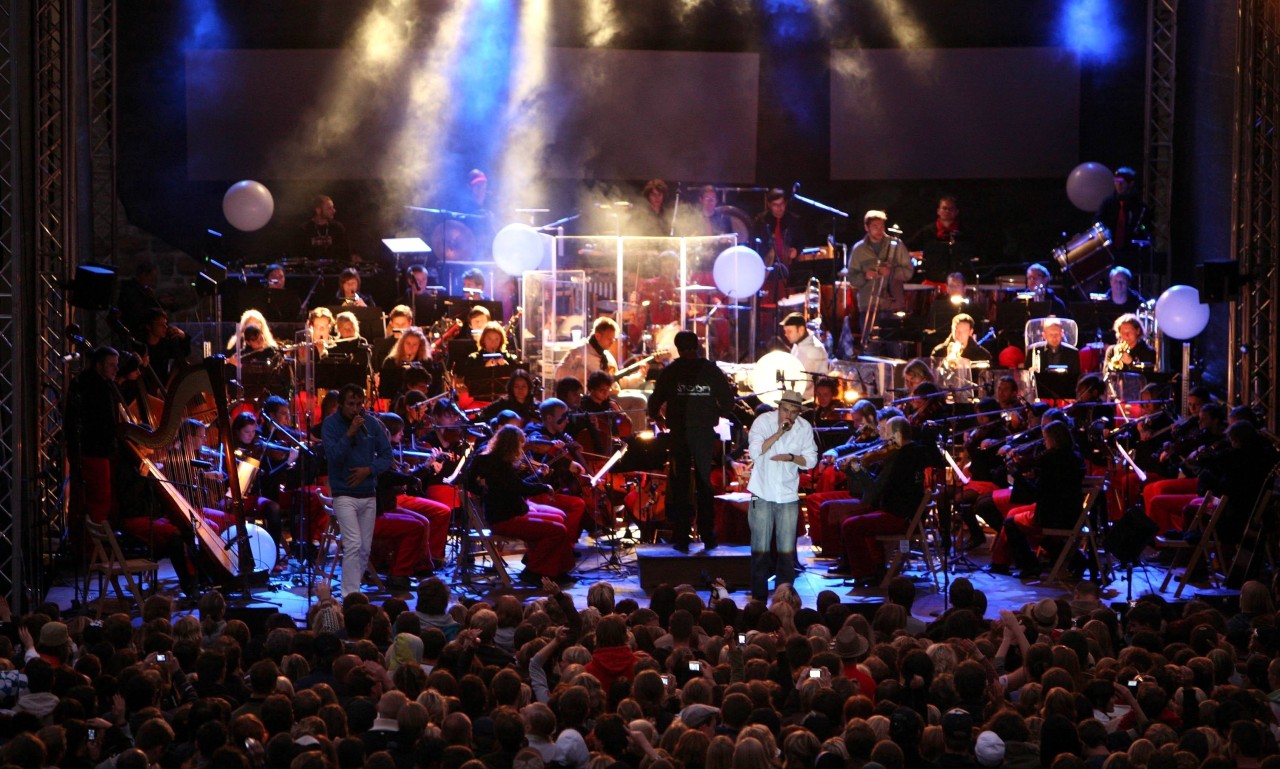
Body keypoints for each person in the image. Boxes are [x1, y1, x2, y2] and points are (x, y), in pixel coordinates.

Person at [648, 330, 736, 553]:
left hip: (679, 433)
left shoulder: (671, 372)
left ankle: (681, 537)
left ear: (677, 348)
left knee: (680, 484)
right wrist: (713, 414)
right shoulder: (711, 370)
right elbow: (728, 401)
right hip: (704, 433)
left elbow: (654, 402)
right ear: (697, 346)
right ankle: (708, 536)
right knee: (705, 484)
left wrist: (660, 417)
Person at [466, 424, 575, 583]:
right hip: (504, 518)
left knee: (559, 520)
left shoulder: (497, 460)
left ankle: (558, 570)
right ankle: (534, 569)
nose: (521, 449)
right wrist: (544, 487)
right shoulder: (496, 464)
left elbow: (515, 485)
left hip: (512, 512)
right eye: (519, 445)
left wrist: (538, 475)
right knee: (557, 530)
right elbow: (519, 487)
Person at [838, 416, 932, 586]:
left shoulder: (901, 457)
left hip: (899, 515)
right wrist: (854, 471)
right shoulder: (911, 451)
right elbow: (878, 483)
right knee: (848, 518)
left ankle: (866, 574)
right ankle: (875, 566)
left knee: (850, 525)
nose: (884, 439)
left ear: (897, 434)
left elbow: (874, 490)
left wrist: (857, 469)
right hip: (901, 511)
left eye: (887, 433)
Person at [322, 384, 394, 598]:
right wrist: (349, 433)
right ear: (341, 405)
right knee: (352, 544)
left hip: (368, 493)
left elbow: (387, 455)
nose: (356, 409)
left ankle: (353, 590)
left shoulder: (371, 424)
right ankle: (349, 595)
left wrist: (369, 470)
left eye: (359, 404)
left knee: (364, 549)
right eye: (351, 404)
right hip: (344, 493)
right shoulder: (331, 425)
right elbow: (333, 456)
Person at [746, 390, 818, 600]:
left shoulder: (804, 428)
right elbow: (755, 452)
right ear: (779, 408)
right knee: (760, 551)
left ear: (799, 413)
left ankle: (783, 600)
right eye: (786, 410)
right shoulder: (762, 422)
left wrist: (791, 457)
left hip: (787, 495)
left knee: (787, 553)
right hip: (762, 492)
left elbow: (811, 460)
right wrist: (779, 433)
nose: (789, 415)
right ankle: (758, 600)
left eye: (794, 412)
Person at [850, 210, 913, 316]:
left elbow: (909, 272)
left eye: (881, 226)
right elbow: (852, 278)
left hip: (893, 305)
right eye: (875, 226)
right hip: (868, 307)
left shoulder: (896, 245)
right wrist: (865, 275)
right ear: (866, 227)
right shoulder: (858, 249)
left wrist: (891, 272)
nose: (879, 230)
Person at [908, 195, 979, 281]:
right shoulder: (927, 232)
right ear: (938, 211)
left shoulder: (966, 233)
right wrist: (912, 254)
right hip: (932, 280)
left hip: (959, 282)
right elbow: (907, 248)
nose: (947, 211)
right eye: (944, 208)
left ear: (956, 212)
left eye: (951, 209)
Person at [751, 188, 802, 301]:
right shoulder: (761, 221)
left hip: (788, 271)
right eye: (775, 205)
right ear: (769, 204)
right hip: (767, 272)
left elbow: (801, 241)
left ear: (786, 203)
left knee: (787, 305)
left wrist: (796, 250)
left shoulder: (793, 220)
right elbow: (754, 245)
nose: (779, 208)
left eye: (782, 204)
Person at [458, 322, 521, 403]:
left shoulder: (508, 358)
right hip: (480, 401)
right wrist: (484, 369)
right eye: (489, 339)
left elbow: (518, 380)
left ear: (501, 340)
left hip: (504, 402)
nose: (493, 343)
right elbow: (468, 382)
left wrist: (506, 367)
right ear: (483, 339)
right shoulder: (473, 358)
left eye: (496, 339)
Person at [1094, 166, 1147, 253]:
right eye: (1116, 182)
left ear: (1130, 184)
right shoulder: (1108, 202)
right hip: (1109, 248)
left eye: (1122, 182)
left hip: (1130, 250)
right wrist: (1104, 230)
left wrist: (1141, 228)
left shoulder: (1139, 206)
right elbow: (1098, 219)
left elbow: (1143, 226)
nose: (1119, 185)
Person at [1026, 317, 1081, 400]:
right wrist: (1031, 372)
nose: (1054, 337)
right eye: (1051, 334)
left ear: (1062, 333)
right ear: (1044, 335)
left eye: (1057, 334)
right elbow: (1026, 375)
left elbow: (1076, 376)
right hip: (1041, 394)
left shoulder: (1072, 353)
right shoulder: (1033, 350)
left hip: (1065, 393)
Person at [779, 313, 828, 399]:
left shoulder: (814, 349)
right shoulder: (798, 343)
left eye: (789, 331)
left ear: (801, 330)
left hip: (805, 400)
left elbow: (805, 382)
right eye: (785, 331)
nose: (786, 334)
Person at [379, 326, 431, 404]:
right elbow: (385, 391)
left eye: (415, 344)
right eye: (408, 343)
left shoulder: (425, 362)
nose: (411, 348)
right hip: (396, 404)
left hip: (421, 404)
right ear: (402, 344)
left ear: (420, 346)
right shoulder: (390, 362)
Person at [141, 308, 190, 385]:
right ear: (149, 326)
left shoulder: (166, 344)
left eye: (165, 323)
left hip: (164, 386)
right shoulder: (141, 347)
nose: (165, 327)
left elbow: (184, 354)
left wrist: (182, 335)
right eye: (160, 324)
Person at [299, 194, 351, 262]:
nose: (334, 211)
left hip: (335, 271)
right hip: (312, 271)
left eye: (333, 207)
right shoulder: (305, 229)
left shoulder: (337, 228)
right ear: (318, 210)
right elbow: (300, 256)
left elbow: (346, 254)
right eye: (329, 208)